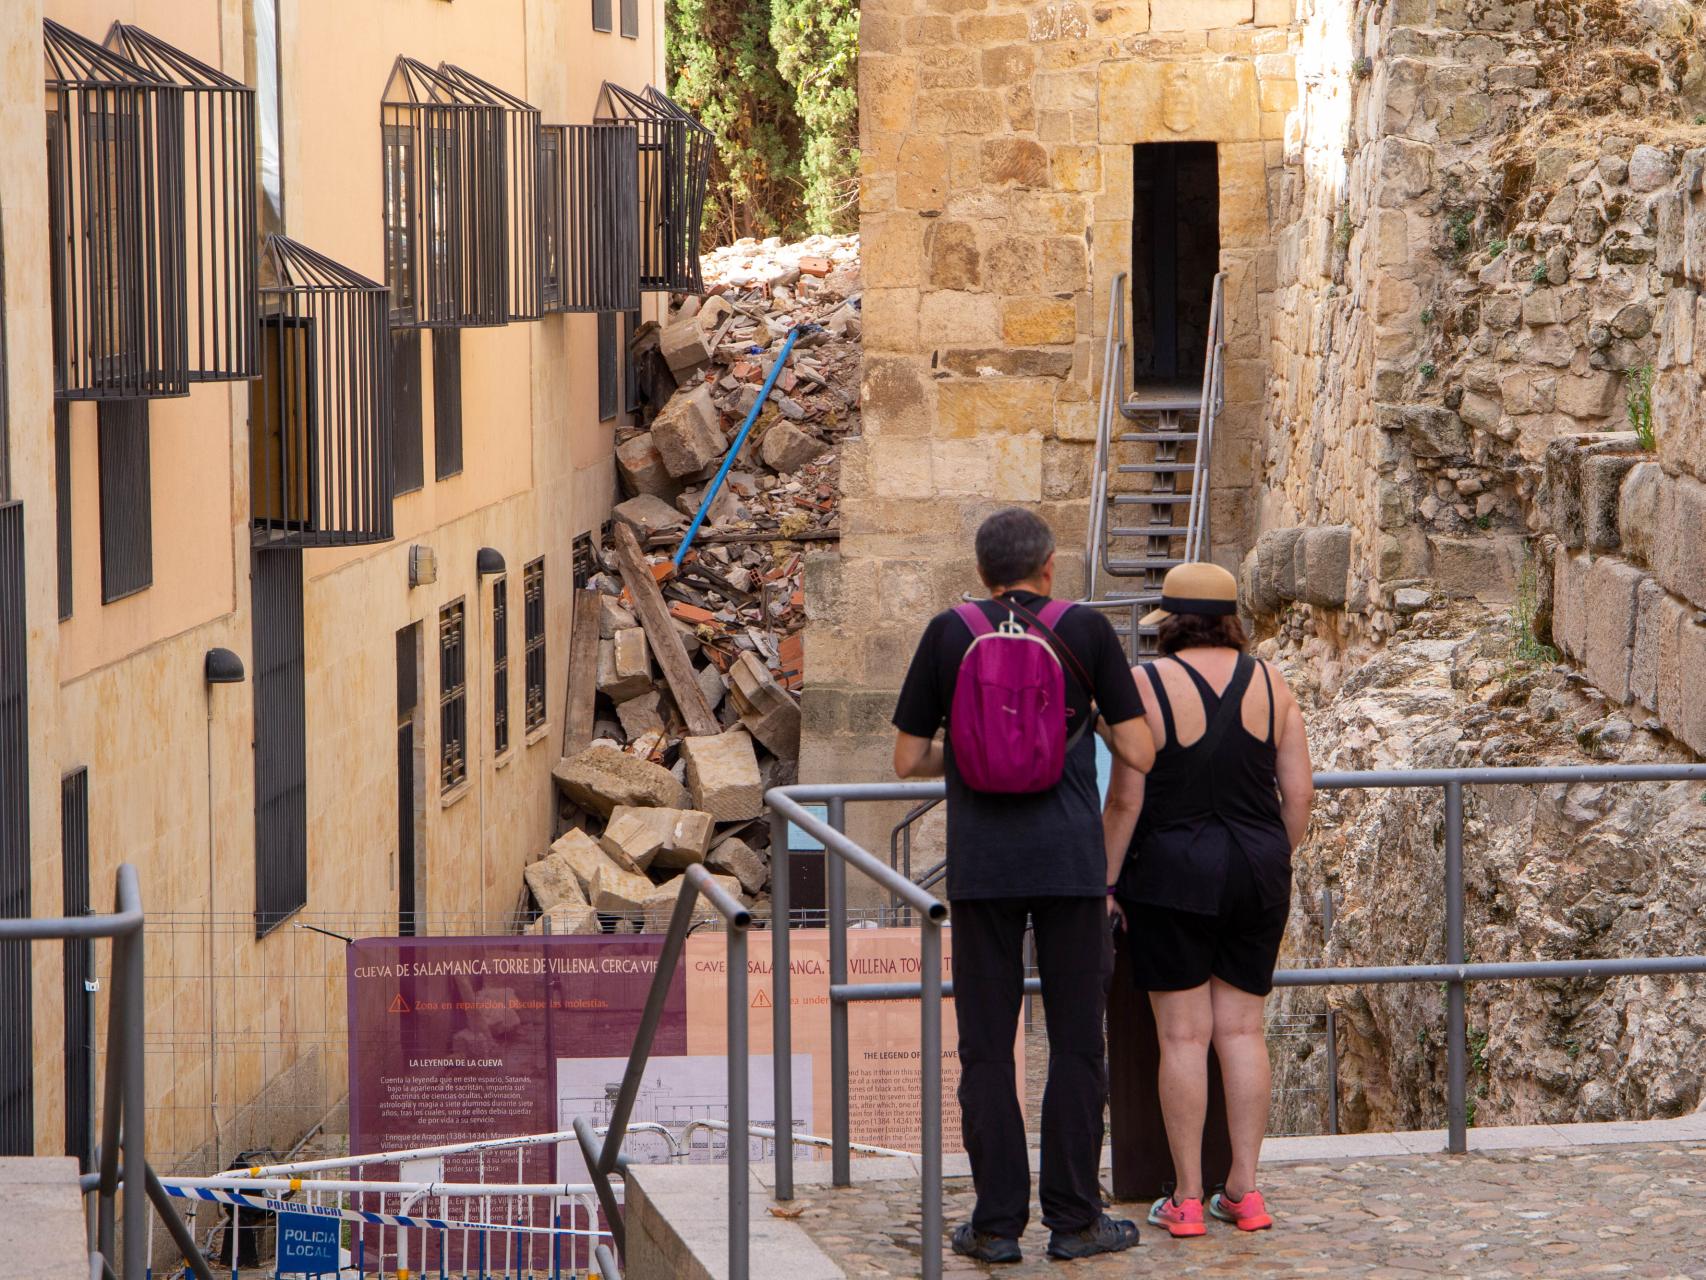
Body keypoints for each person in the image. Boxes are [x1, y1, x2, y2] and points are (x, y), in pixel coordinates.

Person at [892, 507, 1156, 1265]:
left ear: (980, 573)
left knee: (986, 1050)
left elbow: (906, 760)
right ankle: (1075, 1220)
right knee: (1078, 1043)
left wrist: (977, 755)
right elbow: (1139, 749)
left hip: (981, 869)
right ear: (1048, 568)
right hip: (1072, 867)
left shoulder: (950, 632)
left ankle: (996, 1224)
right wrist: (1082, 732)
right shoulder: (1087, 631)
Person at [1102, 561, 1314, 1240]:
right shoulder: (1272, 683)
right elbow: (1300, 795)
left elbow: (1128, 796)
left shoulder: (1145, 683)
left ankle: (1188, 1197)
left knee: (1183, 1036)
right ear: (1231, 619)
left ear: (1168, 623)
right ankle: (1245, 1192)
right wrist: (1271, 855)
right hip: (1257, 869)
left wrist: (1106, 883)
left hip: (1171, 872)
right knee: (1243, 1032)